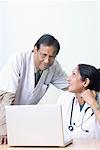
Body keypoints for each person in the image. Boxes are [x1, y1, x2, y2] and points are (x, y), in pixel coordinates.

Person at [0, 34, 68, 144]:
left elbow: (70, 86)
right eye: (43, 55)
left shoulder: (54, 66)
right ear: (35, 50)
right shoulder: (18, 59)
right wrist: (2, 129)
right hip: (2, 115)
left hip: (20, 118)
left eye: (51, 57)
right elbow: (6, 96)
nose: (47, 60)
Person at [58, 64, 100, 139]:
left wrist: (94, 104)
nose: (68, 78)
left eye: (73, 74)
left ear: (85, 82)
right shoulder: (64, 98)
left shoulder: (97, 100)